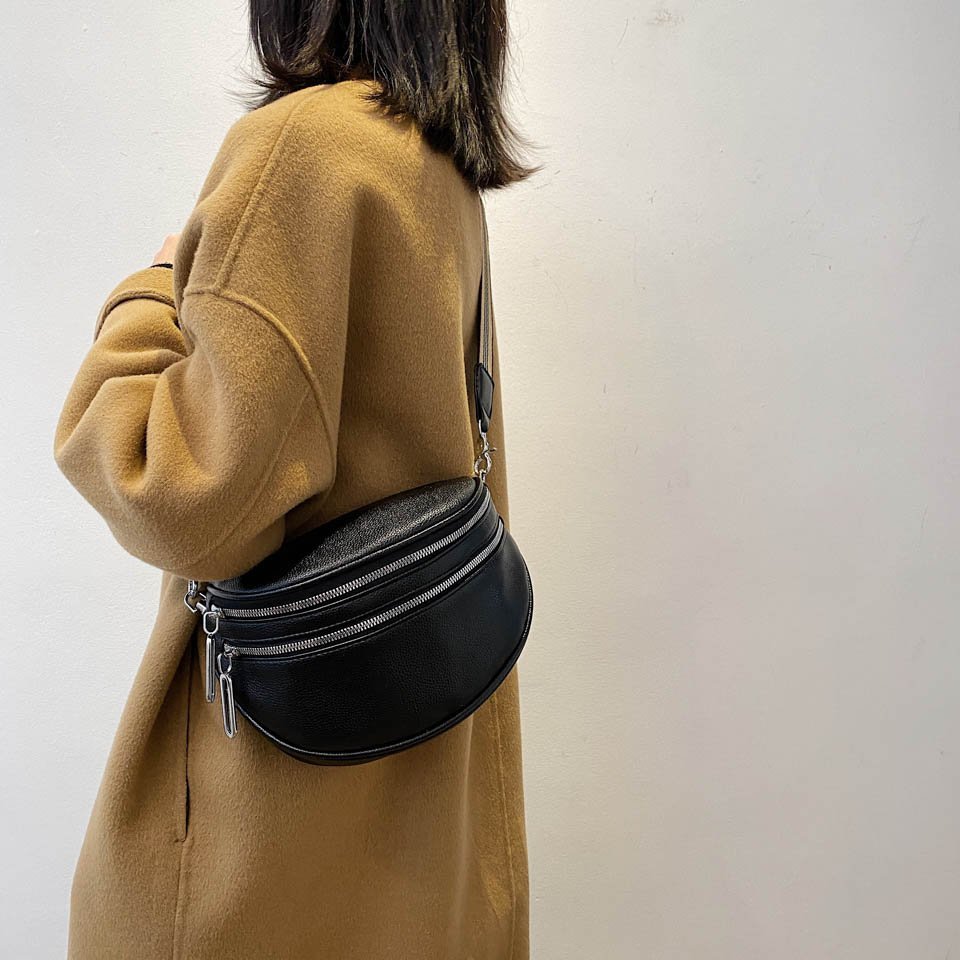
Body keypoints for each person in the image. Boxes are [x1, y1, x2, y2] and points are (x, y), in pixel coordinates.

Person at [52, 1, 540, 957]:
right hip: (412, 836)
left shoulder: (306, 147)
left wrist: (145, 294)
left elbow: (175, 498)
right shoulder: (437, 169)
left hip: (256, 853)